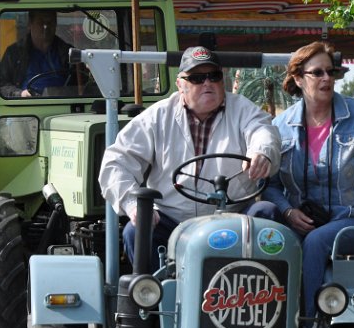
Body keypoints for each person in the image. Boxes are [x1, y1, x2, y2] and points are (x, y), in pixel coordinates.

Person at [98, 46, 280, 271]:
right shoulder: (157, 116)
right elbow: (116, 162)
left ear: (222, 79)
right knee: (136, 229)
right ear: (180, 84)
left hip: (233, 219)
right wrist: (133, 204)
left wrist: (260, 152)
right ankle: (152, 299)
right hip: (172, 221)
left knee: (266, 213)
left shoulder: (242, 109)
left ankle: (255, 298)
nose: (207, 83)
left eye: (213, 76)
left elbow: (263, 130)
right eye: (196, 78)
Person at [265, 41, 354, 317]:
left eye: (331, 72)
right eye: (317, 73)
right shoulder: (279, 127)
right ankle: (267, 322)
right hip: (303, 222)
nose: (327, 78)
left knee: (317, 242)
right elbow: (270, 186)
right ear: (298, 78)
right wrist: (288, 211)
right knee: (269, 240)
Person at [0, 10, 73, 98]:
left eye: (50, 22)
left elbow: (82, 85)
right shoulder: (14, 53)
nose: (46, 27)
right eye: (41, 22)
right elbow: (1, 85)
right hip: (25, 107)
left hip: (64, 106)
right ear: (30, 24)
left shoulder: (69, 53)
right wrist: (20, 94)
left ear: (55, 24)